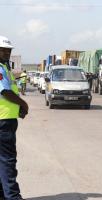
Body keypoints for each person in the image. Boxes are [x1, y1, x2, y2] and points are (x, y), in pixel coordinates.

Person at [0, 35, 28, 200]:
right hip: (3, 122)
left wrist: (18, 108)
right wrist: (24, 104)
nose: (6, 53)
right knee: (8, 161)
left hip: (6, 119)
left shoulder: (5, 67)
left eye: (8, 50)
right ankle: (12, 196)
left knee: (2, 161)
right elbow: (5, 92)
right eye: (3, 50)